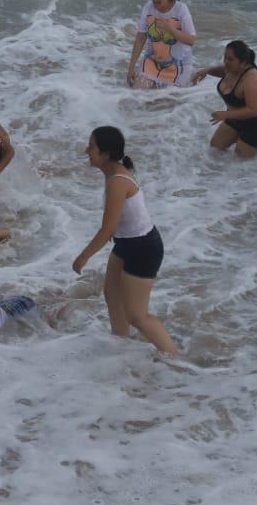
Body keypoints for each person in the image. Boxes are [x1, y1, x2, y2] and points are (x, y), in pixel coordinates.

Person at [70, 127, 178, 355]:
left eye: (92, 146)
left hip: (144, 248)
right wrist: (114, 231)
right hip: (127, 243)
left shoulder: (117, 181)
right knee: (111, 293)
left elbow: (107, 227)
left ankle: (175, 359)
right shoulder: (113, 173)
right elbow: (118, 222)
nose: (87, 150)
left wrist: (83, 257)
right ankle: (121, 345)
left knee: (137, 316)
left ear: (106, 154)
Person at [190, 40, 257, 158]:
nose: (226, 62)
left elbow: (254, 110)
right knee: (216, 147)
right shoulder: (231, 69)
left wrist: (226, 115)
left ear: (243, 62)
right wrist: (207, 70)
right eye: (224, 58)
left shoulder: (250, 79)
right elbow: (223, 70)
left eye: (230, 59)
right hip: (236, 118)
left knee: (240, 162)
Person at [127, 0, 197, 88]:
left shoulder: (181, 9)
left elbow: (191, 40)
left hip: (179, 65)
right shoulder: (148, 8)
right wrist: (131, 68)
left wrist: (169, 28)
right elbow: (140, 39)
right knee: (137, 94)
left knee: (168, 102)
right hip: (152, 60)